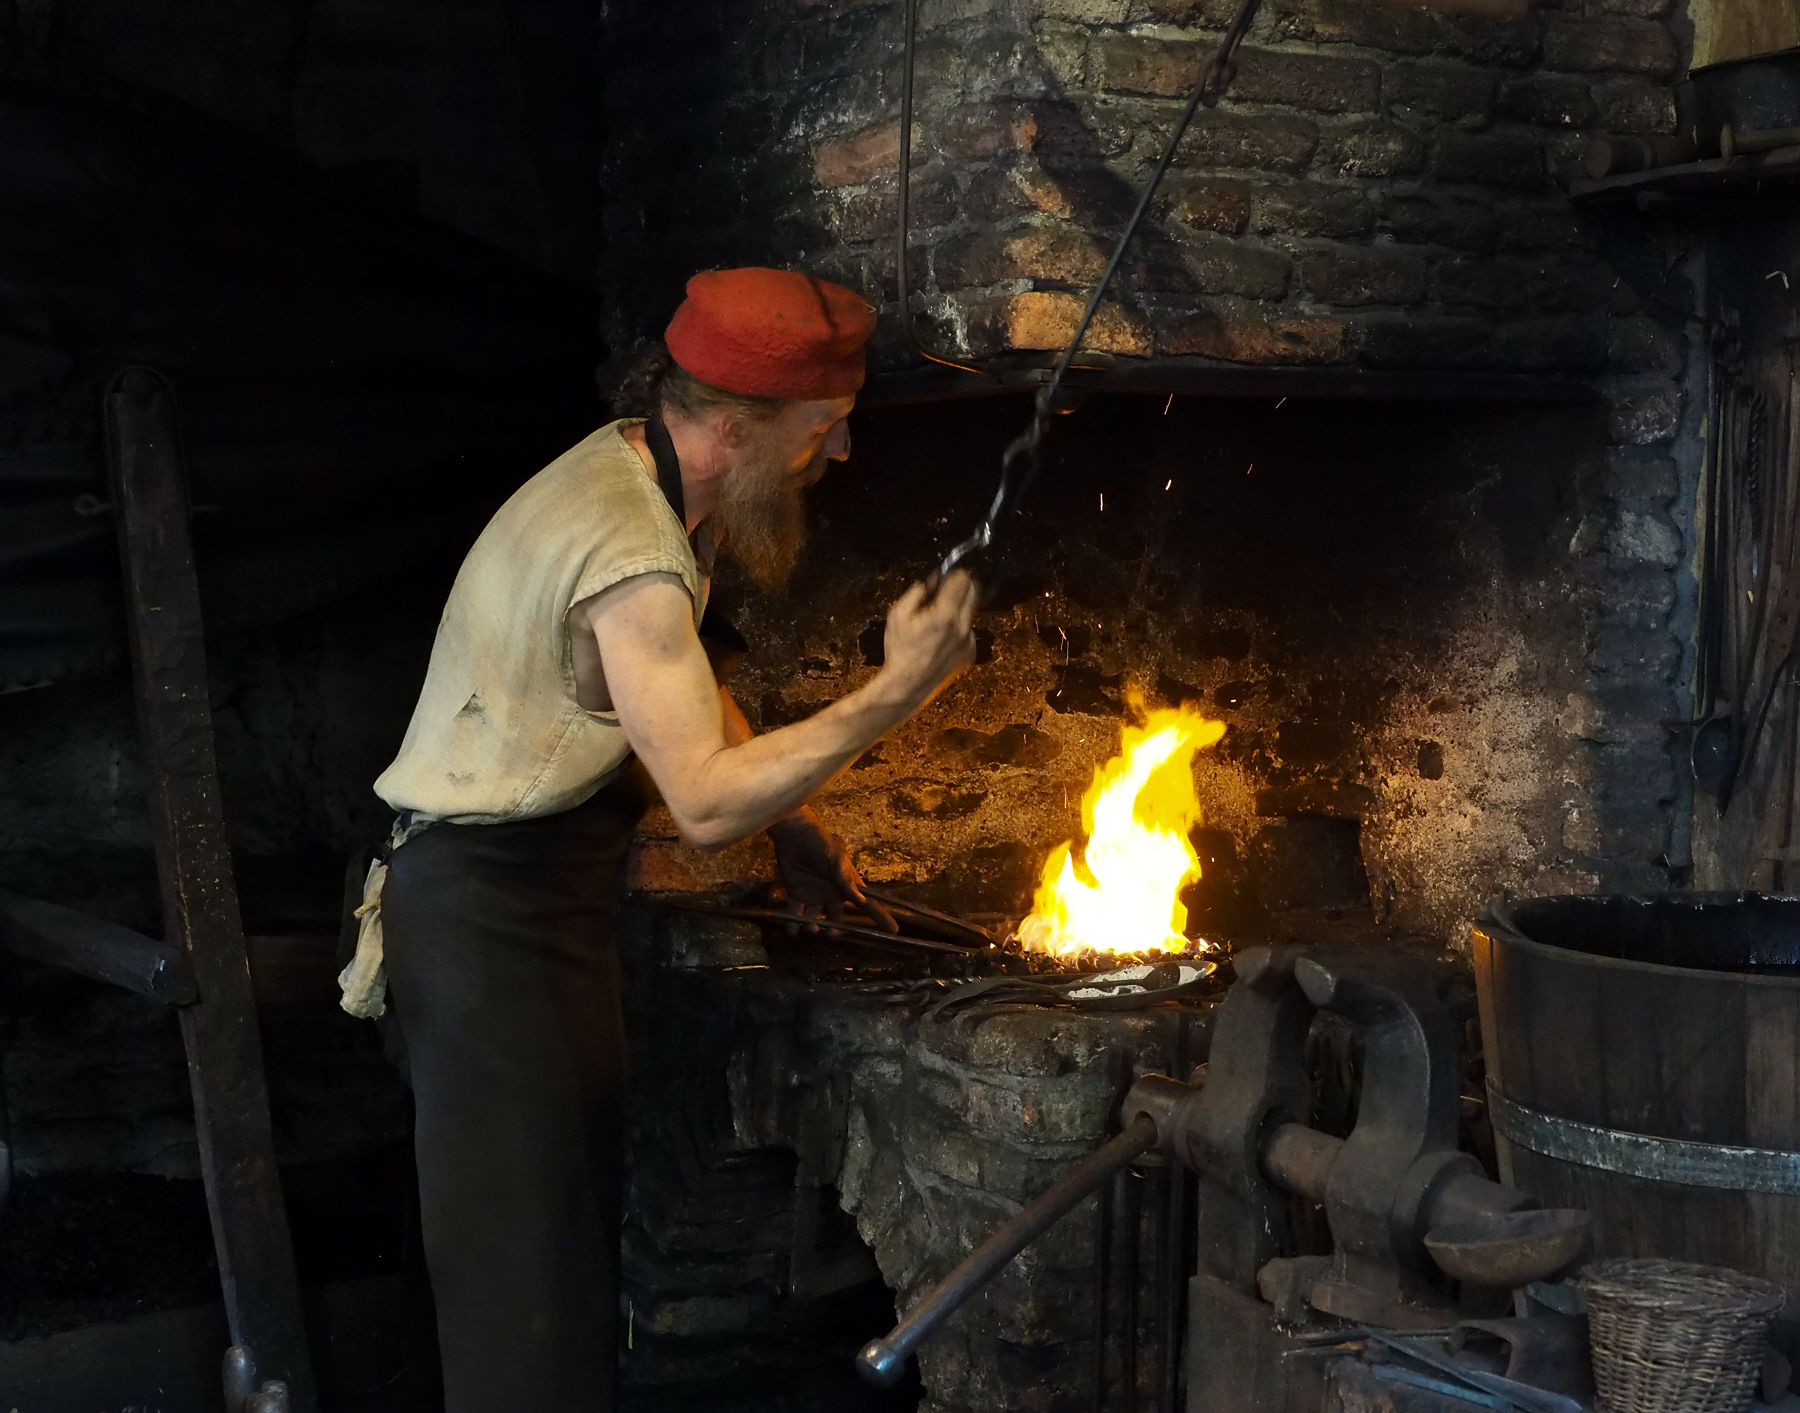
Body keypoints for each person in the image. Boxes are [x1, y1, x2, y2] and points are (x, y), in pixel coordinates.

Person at [358, 266, 978, 1411]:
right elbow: (697, 802)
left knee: (533, 1246)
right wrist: (896, 695)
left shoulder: (631, 467)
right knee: (528, 1294)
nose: (837, 459)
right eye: (825, 433)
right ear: (736, 426)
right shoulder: (631, 555)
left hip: (521, 910)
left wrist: (795, 826)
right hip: (489, 921)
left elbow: (681, 699)